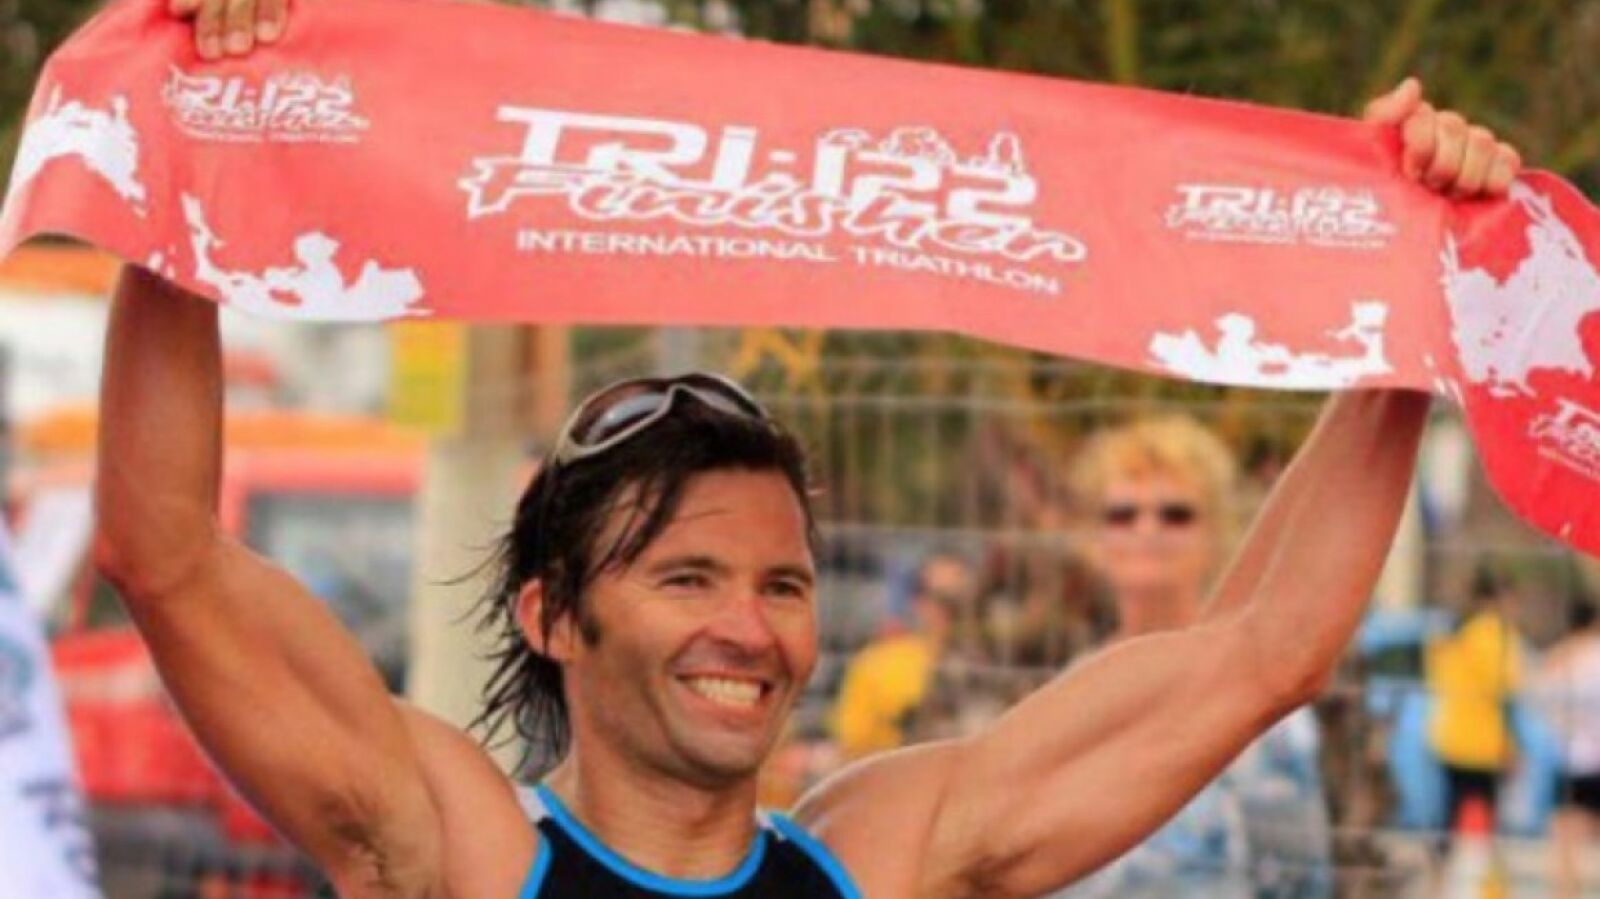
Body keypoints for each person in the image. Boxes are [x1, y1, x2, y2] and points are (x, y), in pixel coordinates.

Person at [94, 3, 1524, 896]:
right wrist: (188, 144)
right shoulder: (456, 849)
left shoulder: (885, 856)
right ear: (551, 614)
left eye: (782, 583)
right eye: (687, 575)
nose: (750, 625)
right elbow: (166, 553)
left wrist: (1405, 302)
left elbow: (1264, 649)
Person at [1049, 415, 1331, 899]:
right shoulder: (1067, 694)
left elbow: (1299, 878)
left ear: (1216, 531)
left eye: (1175, 514)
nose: (1147, 529)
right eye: (1122, 514)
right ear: (1096, 537)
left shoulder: (1261, 696)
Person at [830, 553, 978, 758]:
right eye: (941, 599)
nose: (952, 611)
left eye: (960, 600)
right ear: (918, 601)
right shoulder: (878, 663)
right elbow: (850, 745)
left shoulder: (991, 666)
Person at [1426, 564, 1527, 835]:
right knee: (1486, 819)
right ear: (1500, 598)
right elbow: (1505, 693)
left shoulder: (1454, 632)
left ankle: (1441, 857)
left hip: (1449, 737)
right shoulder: (1495, 634)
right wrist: (1513, 745)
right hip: (1485, 743)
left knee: (1451, 814)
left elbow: (1436, 680)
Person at [1532, 592, 1600, 899]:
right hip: (1591, 760)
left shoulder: (1559, 659)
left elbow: (1538, 700)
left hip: (1573, 761)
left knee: (1564, 846)